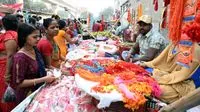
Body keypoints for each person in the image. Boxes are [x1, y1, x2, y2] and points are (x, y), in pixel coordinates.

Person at [11, 23, 56, 104]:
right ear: (24, 37)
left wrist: (50, 71)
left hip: (39, 90)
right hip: (28, 95)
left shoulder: (34, 49)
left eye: (39, 36)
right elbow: (19, 83)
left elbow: (40, 67)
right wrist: (43, 79)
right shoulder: (20, 57)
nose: (38, 39)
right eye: (34, 37)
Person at [0, 14, 18, 112]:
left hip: (5, 67)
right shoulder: (14, 34)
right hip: (7, 66)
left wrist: (7, 74)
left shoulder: (9, 36)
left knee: (5, 91)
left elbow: (10, 55)